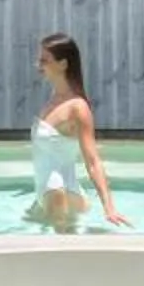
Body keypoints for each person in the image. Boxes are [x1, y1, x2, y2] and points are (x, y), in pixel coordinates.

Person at [27, 32, 129, 232]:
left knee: (63, 250)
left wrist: (109, 207)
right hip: (48, 195)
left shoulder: (77, 108)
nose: (38, 66)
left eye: (44, 61)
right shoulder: (53, 101)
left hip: (60, 197)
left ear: (63, 64)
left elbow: (93, 161)